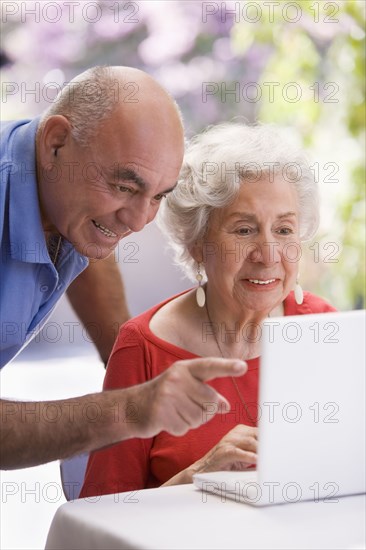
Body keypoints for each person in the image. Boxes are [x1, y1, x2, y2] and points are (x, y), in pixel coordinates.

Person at [0, 68, 247, 470]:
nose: (136, 221)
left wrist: (130, 365)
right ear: (56, 142)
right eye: (124, 187)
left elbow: (92, 241)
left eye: (157, 197)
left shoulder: (67, 195)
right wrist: (129, 409)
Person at [80, 122, 337, 498]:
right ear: (198, 244)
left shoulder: (324, 327)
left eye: (283, 231)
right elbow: (97, 518)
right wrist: (199, 474)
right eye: (244, 230)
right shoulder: (142, 348)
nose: (268, 255)